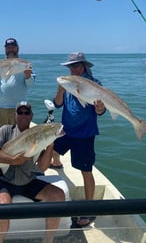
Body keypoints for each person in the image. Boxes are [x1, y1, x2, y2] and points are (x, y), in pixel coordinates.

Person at [0, 101, 65, 243]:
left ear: (31, 115)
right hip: (5, 182)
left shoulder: (37, 135)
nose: (23, 115)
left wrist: (51, 143)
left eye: (26, 112)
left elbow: (43, 167)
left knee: (58, 196)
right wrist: (11, 160)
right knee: (2, 208)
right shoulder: (6, 130)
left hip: (28, 181)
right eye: (20, 112)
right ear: (15, 115)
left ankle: (48, 240)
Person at [52, 52, 106, 228]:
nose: (73, 69)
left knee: (86, 171)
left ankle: (89, 209)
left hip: (84, 135)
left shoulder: (94, 84)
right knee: (50, 148)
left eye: (76, 65)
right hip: (66, 130)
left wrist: (99, 108)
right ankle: (57, 163)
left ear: (83, 65)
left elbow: (101, 111)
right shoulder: (68, 82)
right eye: (70, 66)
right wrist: (61, 89)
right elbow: (58, 104)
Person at [0, 38, 35, 128]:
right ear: (5, 49)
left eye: (13, 47)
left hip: (20, 110)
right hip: (1, 108)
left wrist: (27, 76)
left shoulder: (25, 64)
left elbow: (30, 84)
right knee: (3, 137)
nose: (10, 49)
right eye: (8, 47)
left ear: (17, 48)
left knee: (19, 138)